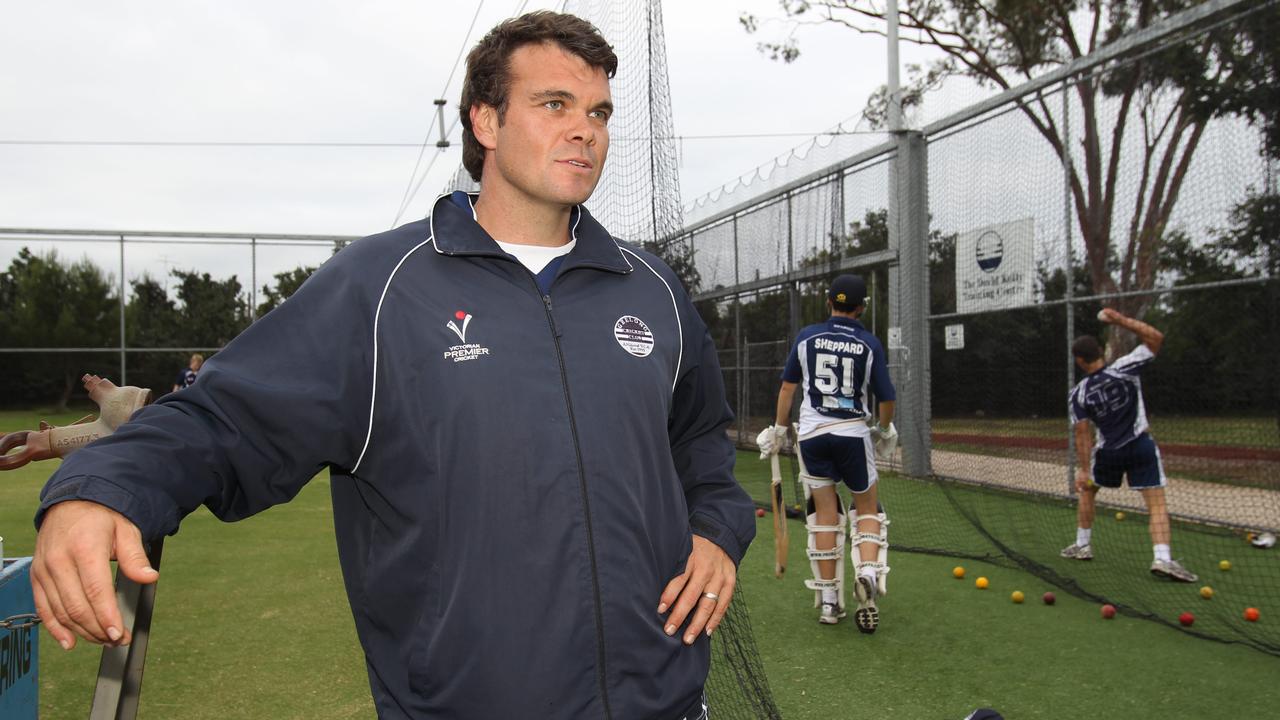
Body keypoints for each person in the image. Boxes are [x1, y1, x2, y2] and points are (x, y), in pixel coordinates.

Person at [31, 12, 754, 720]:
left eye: (599, 111)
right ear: (486, 123)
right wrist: (100, 488)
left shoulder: (651, 290)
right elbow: (225, 419)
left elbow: (698, 440)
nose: (585, 130)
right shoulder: (379, 287)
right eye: (554, 104)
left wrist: (717, 530)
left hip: (667, 701)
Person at [758, 274, 896, 633]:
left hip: (812, 436)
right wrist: (884, 429)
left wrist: (778, 428)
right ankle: (866, 572)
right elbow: (887, 397)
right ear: (862, 307)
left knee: (824, 514)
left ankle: (830, 603)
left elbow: (788, 388)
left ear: (828, 303)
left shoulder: (807, 337)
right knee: (866, 508)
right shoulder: (869, 343)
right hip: (851, 434)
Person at [1061, 308, 1196, 582]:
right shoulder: (1125, 367)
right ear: (1100, 351)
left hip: (1108, 452)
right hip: (1140, 446)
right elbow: (1156, 337)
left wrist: (1084, 470)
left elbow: (1082, 434)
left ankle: (1082, 545)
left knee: (1088, 491)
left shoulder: (1079, 394)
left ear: (1079, 360)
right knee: (1156, 504)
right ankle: (1162, 558)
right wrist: (1120, 320)